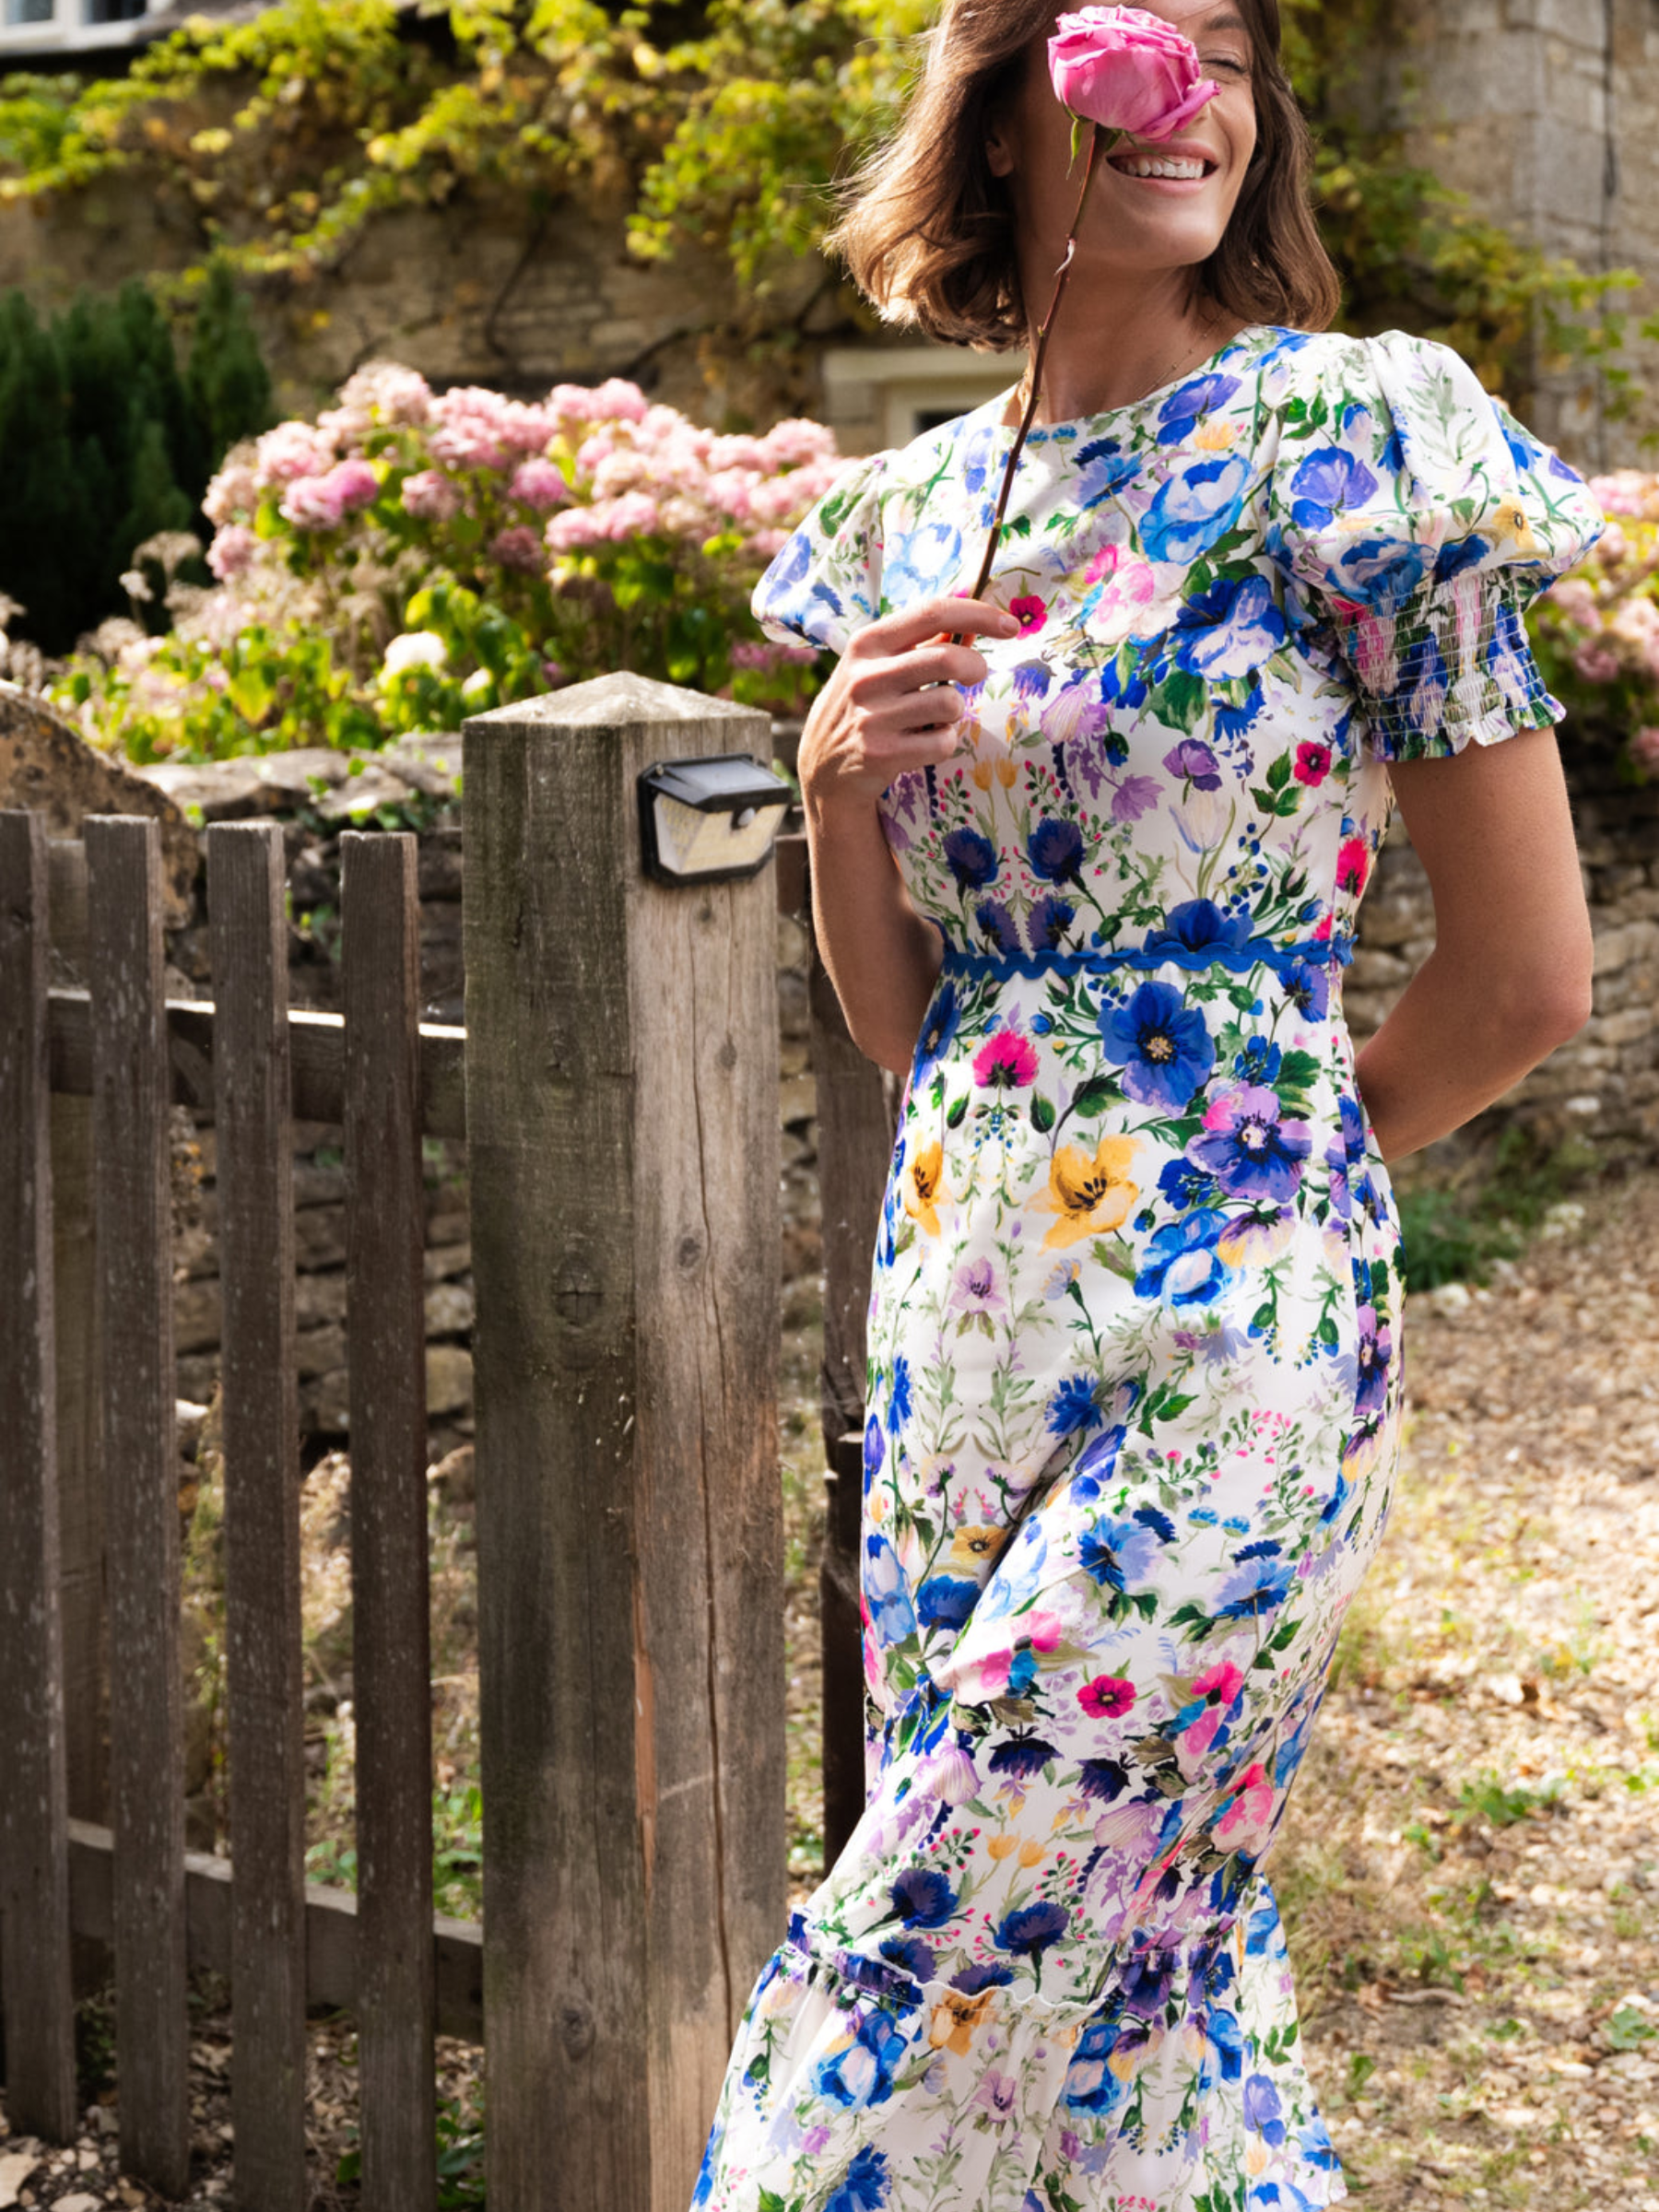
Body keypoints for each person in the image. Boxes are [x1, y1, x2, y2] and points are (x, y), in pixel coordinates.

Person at [691, 2, 1601, 2206]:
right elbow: (922, 1033)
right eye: (1130, 40)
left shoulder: (1347, 444)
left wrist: (1265, 1175)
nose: (1185, 95)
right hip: (962, 1316)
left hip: (1245, 1329)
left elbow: (1525, 984)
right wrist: (833, 790)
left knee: (940, 1929)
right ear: (1004, 116)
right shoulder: (899, 516)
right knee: (1130, 1984)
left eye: (1225, 50)